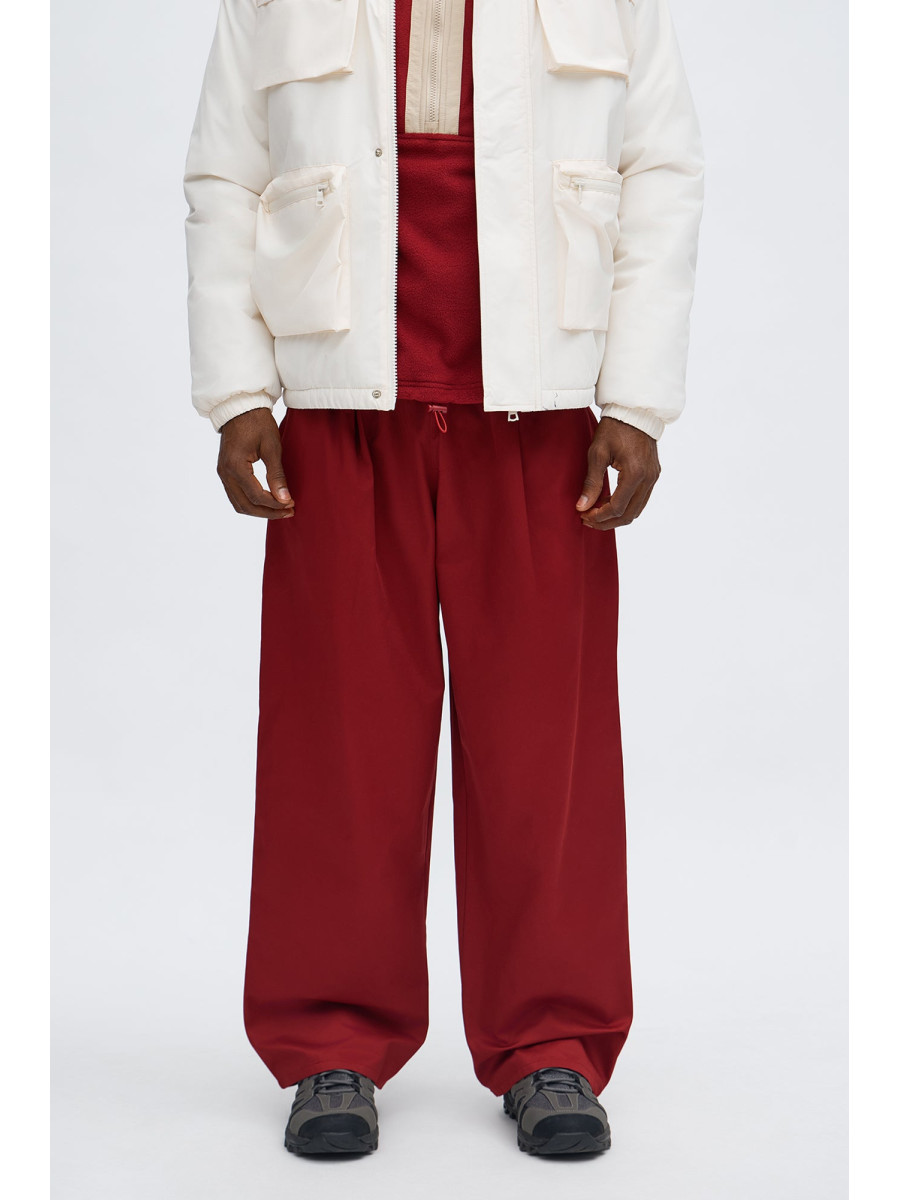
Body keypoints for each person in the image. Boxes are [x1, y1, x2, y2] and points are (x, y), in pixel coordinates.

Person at [184, 0, 703, 1158]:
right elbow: (224, 174)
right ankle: (330, 1040)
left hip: (540, 416)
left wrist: (637, 398)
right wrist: (235, 392)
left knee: (545, 750)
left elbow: (661, 169)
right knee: (336, 743)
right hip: (340, 413)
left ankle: (552, 1041)